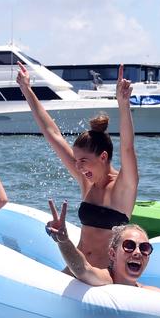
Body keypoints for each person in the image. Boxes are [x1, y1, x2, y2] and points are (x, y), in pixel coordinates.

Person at [16, 61, 138, 271]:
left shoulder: (124, 185)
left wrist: (123, 104)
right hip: (76, 268)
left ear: (103, 157)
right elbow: (53, 134)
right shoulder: (86, 181)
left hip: (105, 276)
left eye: (83, 160)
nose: (78, 167)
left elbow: (127, 147)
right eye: (76, 160)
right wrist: (26, 90)